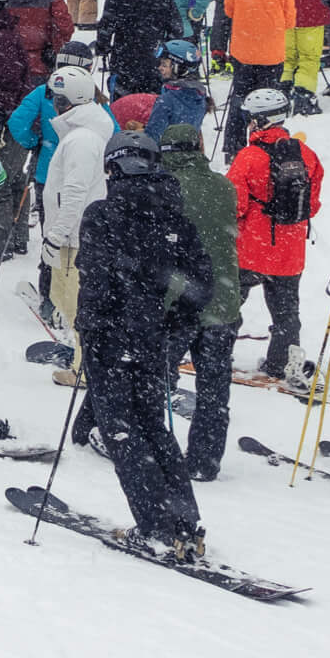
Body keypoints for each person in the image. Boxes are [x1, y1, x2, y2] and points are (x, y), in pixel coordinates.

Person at [76, 131, 214, 555]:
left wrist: (92, 323)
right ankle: (183, 521)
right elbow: (201, 286)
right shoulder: (174, 217)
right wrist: (172, 321)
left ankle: (156, 525)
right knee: (153, 425)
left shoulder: (103, 214)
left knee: (122, 429)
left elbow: (96, 277)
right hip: (152, 336)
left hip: (111, 337)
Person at [226, 85, 323, 388]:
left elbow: (235, 204)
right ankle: (280, 364)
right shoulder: (307, 155)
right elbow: (313, 204)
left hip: (249, 250)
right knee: (286, 314)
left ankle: (215, 353)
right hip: (289, 253)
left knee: (227, 305)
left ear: (259, 120)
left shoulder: (248, 157)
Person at [160, 119, 241, 479]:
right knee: (214, 387)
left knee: (156, 376)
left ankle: (151, 447)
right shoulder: (224, 187)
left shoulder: (166, 187)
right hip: (222, 300)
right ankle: (205, 460)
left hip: (180, 299)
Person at [33, 64, 114, 348]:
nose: (53, 105)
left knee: (73, 302)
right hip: (74, 233)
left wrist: (57, 235)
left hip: (73, 237)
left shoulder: (81, 139)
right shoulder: (82, 132)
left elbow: (74, 193)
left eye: (56, 98)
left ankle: (83, 364)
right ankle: (82, 357)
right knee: (64, 297)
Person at [218, 0, 294, 155]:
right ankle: (265, 146)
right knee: (268, 102)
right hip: (272, 54)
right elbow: (290, 20)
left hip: (243, 52)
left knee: (240, 97)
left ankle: (233, 147)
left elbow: (228, 10)